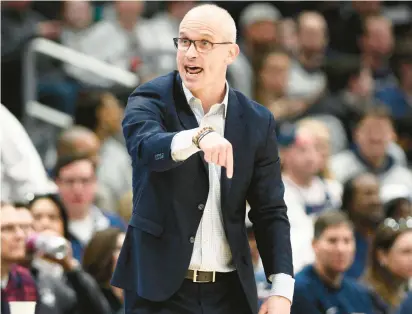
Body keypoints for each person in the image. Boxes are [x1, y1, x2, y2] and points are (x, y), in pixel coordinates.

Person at [111, 4, 294, 314]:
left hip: (230, 293)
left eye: (204, 43)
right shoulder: (150, 97)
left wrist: (281, 289)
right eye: (184, 41)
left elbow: (270, 209)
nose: (190, 53)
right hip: (159, 293)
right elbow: (144, 147)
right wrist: (197, 137)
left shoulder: (256, 120)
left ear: (231, 53)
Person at [291, 211, 375, 314]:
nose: (341, 249)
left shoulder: (360, 294)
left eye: (347, 241)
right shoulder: (297, 291)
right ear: (315, 245)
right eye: (332, 241)